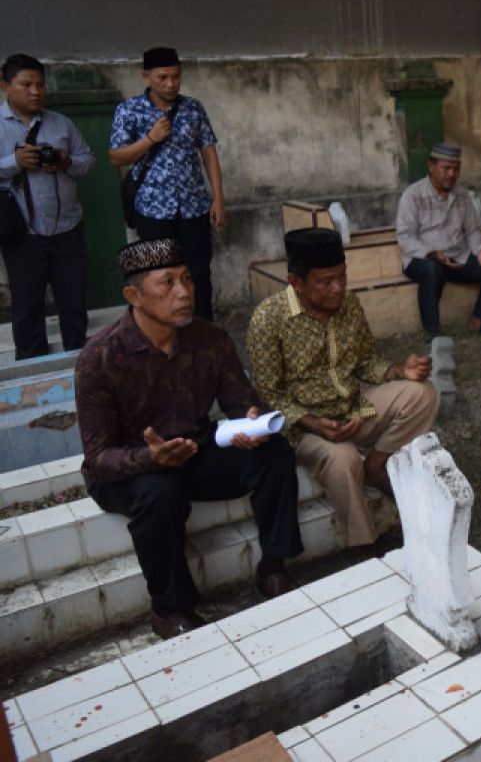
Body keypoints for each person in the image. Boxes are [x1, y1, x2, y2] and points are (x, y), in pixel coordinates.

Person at [75, 239, 302, 639]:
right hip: (131, 471)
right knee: (160, 493)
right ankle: (170, 608)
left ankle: (274, 564)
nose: (183, 293)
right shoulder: (100, 358)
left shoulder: (209, 338)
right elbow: (97, 458)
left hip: (194, 450)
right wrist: (150, 457)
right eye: (167, 284)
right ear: (134, 296)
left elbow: (239, 401)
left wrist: (248, 422)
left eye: (186, 279)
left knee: (275, 452)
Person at [247, 228, 438, 552]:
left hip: (353, 410)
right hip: (305, 428)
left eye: (342, 277)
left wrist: (397, 371)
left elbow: (366, 362)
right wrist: (314, 423)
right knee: (344, 459)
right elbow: (270, 395)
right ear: (296, 282)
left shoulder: (348, 303)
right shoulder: (268, 319)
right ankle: (365, 547)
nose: (338, 288)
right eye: (325, 282)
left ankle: (377, 465)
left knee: (422, 393)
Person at [109, 47, 225, 321]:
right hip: (153, 211)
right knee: (159, 276)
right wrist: (149, 139)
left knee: (198, 274)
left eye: (176, 77)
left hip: (194, 207)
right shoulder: (129, 111)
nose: (171, 84)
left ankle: (201, 331)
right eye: (163, 77)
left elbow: (208, 152)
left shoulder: (193, 108)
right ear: (146, 76)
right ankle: (163, 329)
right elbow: (116, 157)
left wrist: (218, 198)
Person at [0, 54, 95, 359]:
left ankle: (79, 362)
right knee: (27, 306)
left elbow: (87, 161)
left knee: (74, 301)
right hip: (23, 234)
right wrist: (14, 162)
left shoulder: (61, 123)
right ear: (5, 87)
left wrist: (66, 161)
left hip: (67, 229)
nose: (35, 91)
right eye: (25, 84)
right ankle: (32, 367)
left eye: (40, 84)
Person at [395, 143, 481, 338]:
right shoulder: (412, 195)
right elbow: (405, 237)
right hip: (423, 259)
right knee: (432, 270)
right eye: (446, 168)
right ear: (431, 166)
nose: (451, 174)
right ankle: (433, 332)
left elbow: (472, 231)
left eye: (456, 169)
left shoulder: (462, 195)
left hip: (457, 258)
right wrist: (432, 252)